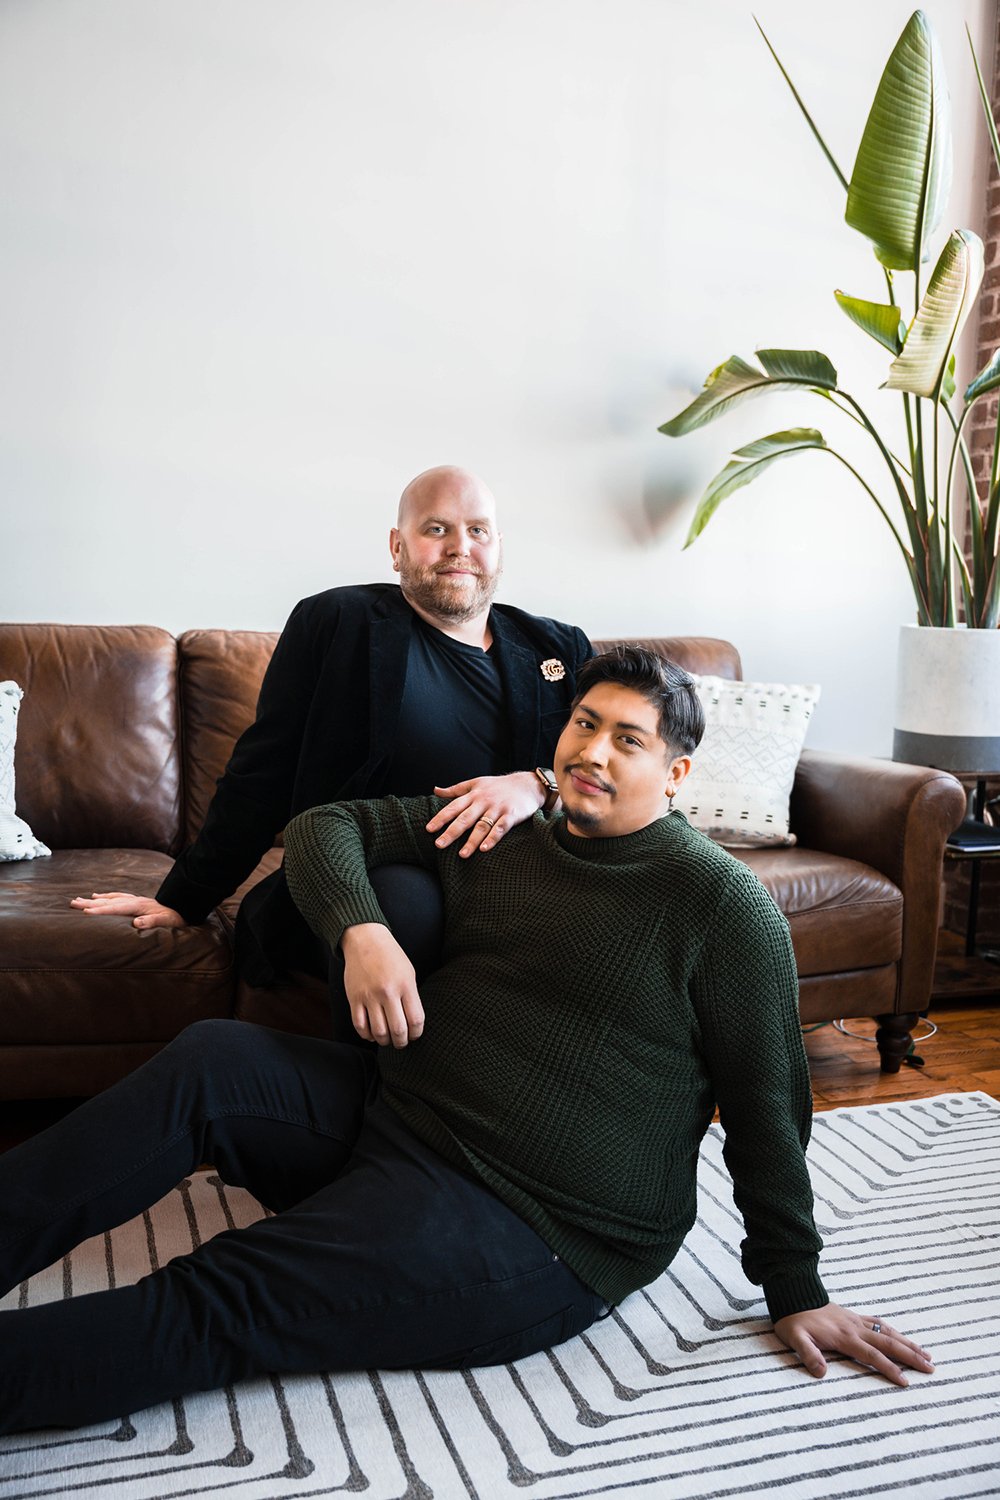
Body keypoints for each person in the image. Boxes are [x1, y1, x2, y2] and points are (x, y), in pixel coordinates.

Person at [0, 646, 933, 1434]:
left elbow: (773, 1115)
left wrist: (795, 1286)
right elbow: (325, 825)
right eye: (583, 724)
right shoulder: (507, 836)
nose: (592, 752)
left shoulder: (723, 912)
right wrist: (362, 930)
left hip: (538, 1223)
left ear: (676, 773)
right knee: (213, 1059)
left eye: (628, 739)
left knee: (226, 1293)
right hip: (400, 1116)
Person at [70, 465, 593, 1001]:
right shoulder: (337, 622)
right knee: (402, 908)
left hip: (516, 874)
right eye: (436, 529)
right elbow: (263, 772)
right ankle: (384, 1084)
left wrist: (537, 783)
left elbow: (601, 769)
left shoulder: (558, 647)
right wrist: (184, 898)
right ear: (397, 547)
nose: (459, 547)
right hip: (368, 870)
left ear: (498, 546)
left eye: (477, 530)